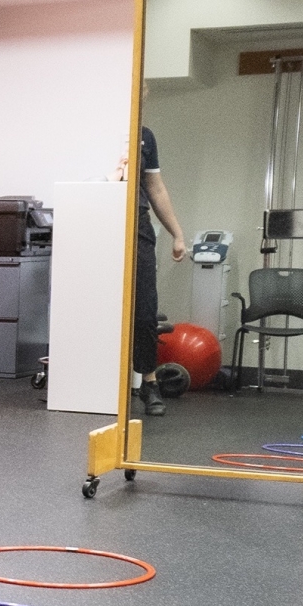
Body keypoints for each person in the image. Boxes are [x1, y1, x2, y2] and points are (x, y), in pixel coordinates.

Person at [133, 87, 186, 415]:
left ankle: (148, 381)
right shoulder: (93, 129)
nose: (145, 95)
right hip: (97, 221)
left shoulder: (145, 137)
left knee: (145, 309)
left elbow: (155, 186)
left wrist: (177, 234)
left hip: (137, 226)